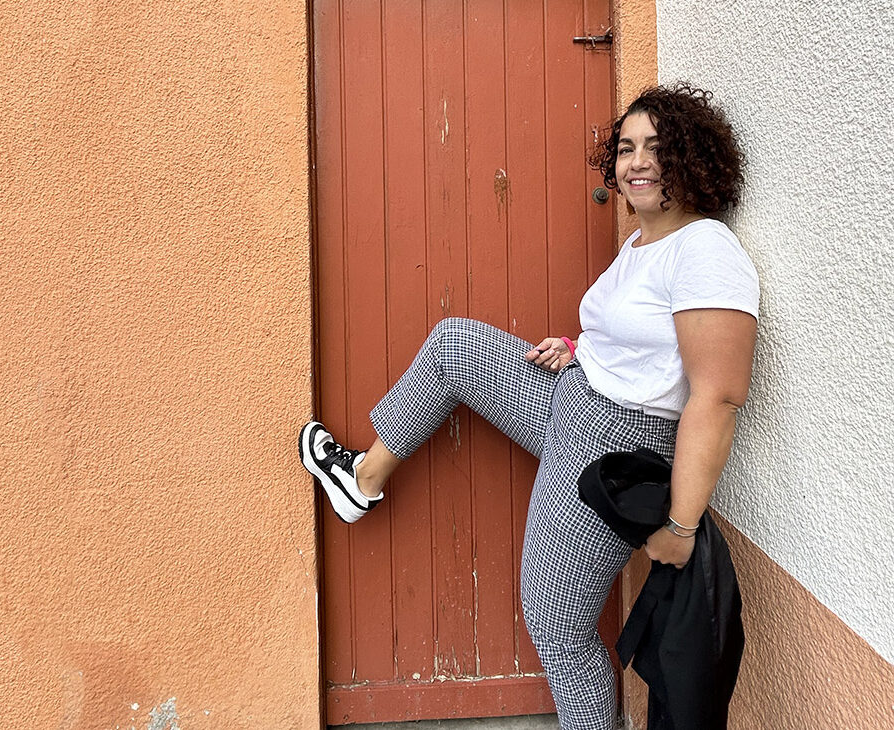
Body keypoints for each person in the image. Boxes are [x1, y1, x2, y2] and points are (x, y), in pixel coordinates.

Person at [299, 83, 759, 730]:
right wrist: (579, 348)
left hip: (611, 448)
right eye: (625, 149)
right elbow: (648, 342)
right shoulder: (641, 244)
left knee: (558, 628)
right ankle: (360, 482)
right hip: (572, 400)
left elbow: (717, 394)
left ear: (693, 157)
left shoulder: (706, 249)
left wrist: (680, 528)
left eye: (656, 147)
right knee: (455, 346)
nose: (637, 162)